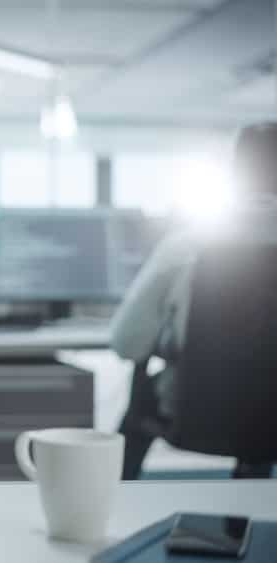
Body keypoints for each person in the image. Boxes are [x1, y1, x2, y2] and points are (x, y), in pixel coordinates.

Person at [111, 122, 277, 479]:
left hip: (199, 411)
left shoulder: (188, 245)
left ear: (236, 174)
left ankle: (112, 510)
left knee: (139, 400)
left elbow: (126, 344)